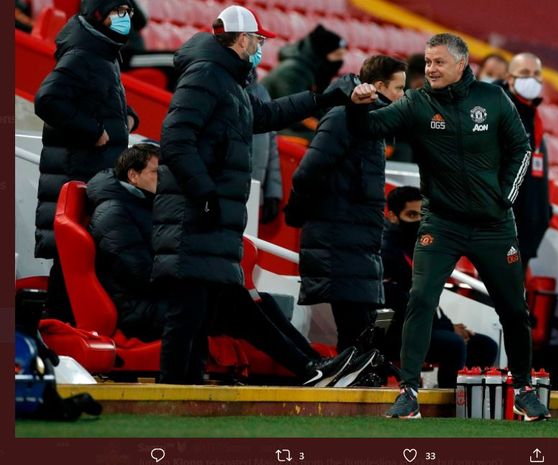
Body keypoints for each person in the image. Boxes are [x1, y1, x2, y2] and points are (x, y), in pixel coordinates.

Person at [348, 33, 550, 421]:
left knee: (513, 308)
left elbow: (521, 149)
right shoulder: (417, 102)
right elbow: (370, 128)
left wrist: (504, 197)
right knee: (420, 299)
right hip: (441, 222)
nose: (430, 69)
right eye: (426, 61)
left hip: (494, 225)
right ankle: (408, 391)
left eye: (438, 62)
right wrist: (358, 107)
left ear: (461, 64)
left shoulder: (493, 100)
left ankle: (523, 388)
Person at [151, 5, 355, 385]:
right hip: (194, 219)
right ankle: (175, 390)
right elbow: (176, 140)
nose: (261, 47)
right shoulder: (207, 75)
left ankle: (306, 368)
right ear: (241, 39)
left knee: (209, 312)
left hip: (209, 221)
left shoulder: (228, 80)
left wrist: (323, 98)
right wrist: (205, 194)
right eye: (258, 40)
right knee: (190, 314)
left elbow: (266, 116)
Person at [87, 145, 357, 386]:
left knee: (256, 299)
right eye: (158, 173)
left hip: (169, 297)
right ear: (133, 176)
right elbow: (140, 274)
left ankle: (314, 364)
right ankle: (308, 369)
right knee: (233, 299)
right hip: (142, 309)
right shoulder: (114, 212)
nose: (168, 179)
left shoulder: (147, 207)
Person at [285, 56, 407, 359]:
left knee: (363, 336)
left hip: (356, 245)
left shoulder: (373, 125)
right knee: (354, 335)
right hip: (339, 241)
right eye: (399, 88)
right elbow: (307, 172)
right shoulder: (343, 118)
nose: (404, 96)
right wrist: (298, 214)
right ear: (379, 87)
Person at [34, 0, 140, 325]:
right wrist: (92, 130)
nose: (126, 19)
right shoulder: (84, 53)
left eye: (129, 13)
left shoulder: (103, 51)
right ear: (99, 14)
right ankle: (58, 336)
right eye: (120, 12)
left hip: (90, 174)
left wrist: (126, 117)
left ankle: (68, 336)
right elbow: (47, 99)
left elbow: (98, 96)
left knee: (78, 262)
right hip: (75, 174)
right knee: (69, 263)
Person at [382, 186, 498, 388]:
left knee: (485, 345)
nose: (419, 220)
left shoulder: (420, 249)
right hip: (395, 332)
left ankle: (467, 401)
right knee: (453, 344)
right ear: (392, 216)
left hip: (425, 326)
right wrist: (447, 328)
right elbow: (400, 303)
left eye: (423, 214)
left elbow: (430, 301)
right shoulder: (387, 253)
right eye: (411, 215)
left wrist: (449, 325)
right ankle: (448, 405)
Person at [500, 52, 551, 272]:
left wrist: (543, 214)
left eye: (536, 74)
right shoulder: (499, 111)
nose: (531, 79)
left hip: (528, 231)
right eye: (524, 73)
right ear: (510, 78)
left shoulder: (531, 115)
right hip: (502, 230)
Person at [261, 24, 347, 140]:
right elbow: (293, 112)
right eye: (337, 55)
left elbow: (318, 109)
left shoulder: (317, 73)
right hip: (267, 127)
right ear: (322, 53)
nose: (340, 61)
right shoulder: (293, 71)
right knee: (322, 141)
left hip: (282, 125)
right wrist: (326, 128)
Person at [247, 69, 282, 224]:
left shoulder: (261, 92)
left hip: (254, 196)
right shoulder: (221, 85)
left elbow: (271, 141)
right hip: (224, 191)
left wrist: (272, 191)